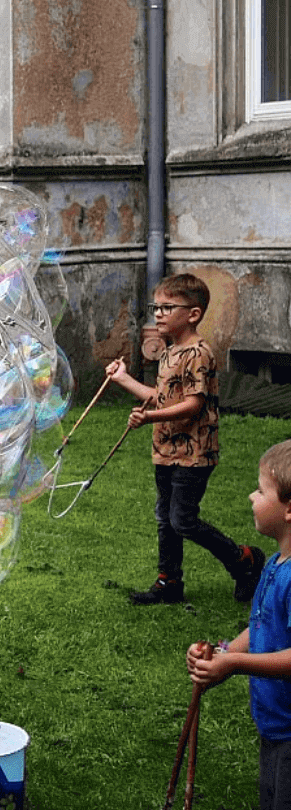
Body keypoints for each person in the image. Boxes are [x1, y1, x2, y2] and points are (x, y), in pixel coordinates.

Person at [105, 273, 264, 605]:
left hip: (195, 453)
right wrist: (123, 379)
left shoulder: (198, 353)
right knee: (165, 518)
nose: (158, 314)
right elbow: (162, 397)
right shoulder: (170, 351)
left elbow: (192, 406)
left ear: (193, 314)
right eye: (156, 307)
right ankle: (169, 582)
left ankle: (244, 560)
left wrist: (148, 417)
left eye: (167, 307)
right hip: (165, 450)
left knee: (183, 520)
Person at [186, 439, 291, 809]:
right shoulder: (277, 563)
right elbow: (262, 626)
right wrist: (224, 654)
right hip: (275, 723)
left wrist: (235, 664)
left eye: (262, 490)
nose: (251, 496)